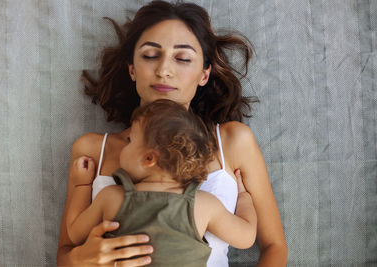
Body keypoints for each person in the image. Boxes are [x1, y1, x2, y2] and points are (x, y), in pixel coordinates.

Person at [57, 1, 288, 266]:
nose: (164, 70)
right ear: (132, 68)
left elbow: (274, 247)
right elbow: (65, 252)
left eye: (183, 58)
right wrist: (79, 260)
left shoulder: (233, 141)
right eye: (150, 55)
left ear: (204, 73)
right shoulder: (91, 149)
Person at [66, 99, 257, 267]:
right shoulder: (204, 204)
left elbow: (75, 233)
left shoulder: (111, 197)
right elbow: (246, 237)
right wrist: (244, 197)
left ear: (149, 158)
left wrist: (82, 186)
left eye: (130, 141)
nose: (125, 145)